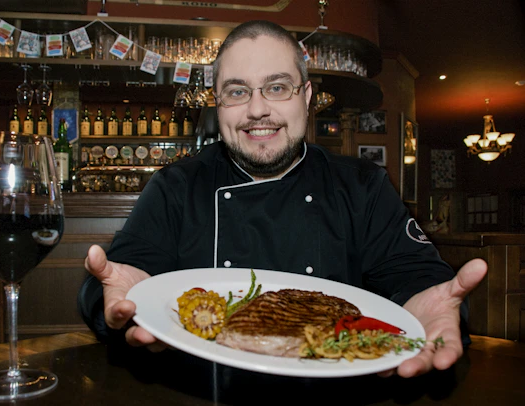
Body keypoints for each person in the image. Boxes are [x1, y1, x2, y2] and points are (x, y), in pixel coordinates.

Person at [78, 20, 487, 378]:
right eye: (237, 92)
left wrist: (430, 305)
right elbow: (122, 278)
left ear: (306, 97)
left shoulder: (363, 186)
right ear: (217, 104)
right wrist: (112, 300)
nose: (258, 110)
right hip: (200, 391)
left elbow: (416, 279)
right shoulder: (176, 186)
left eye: (277, 87)